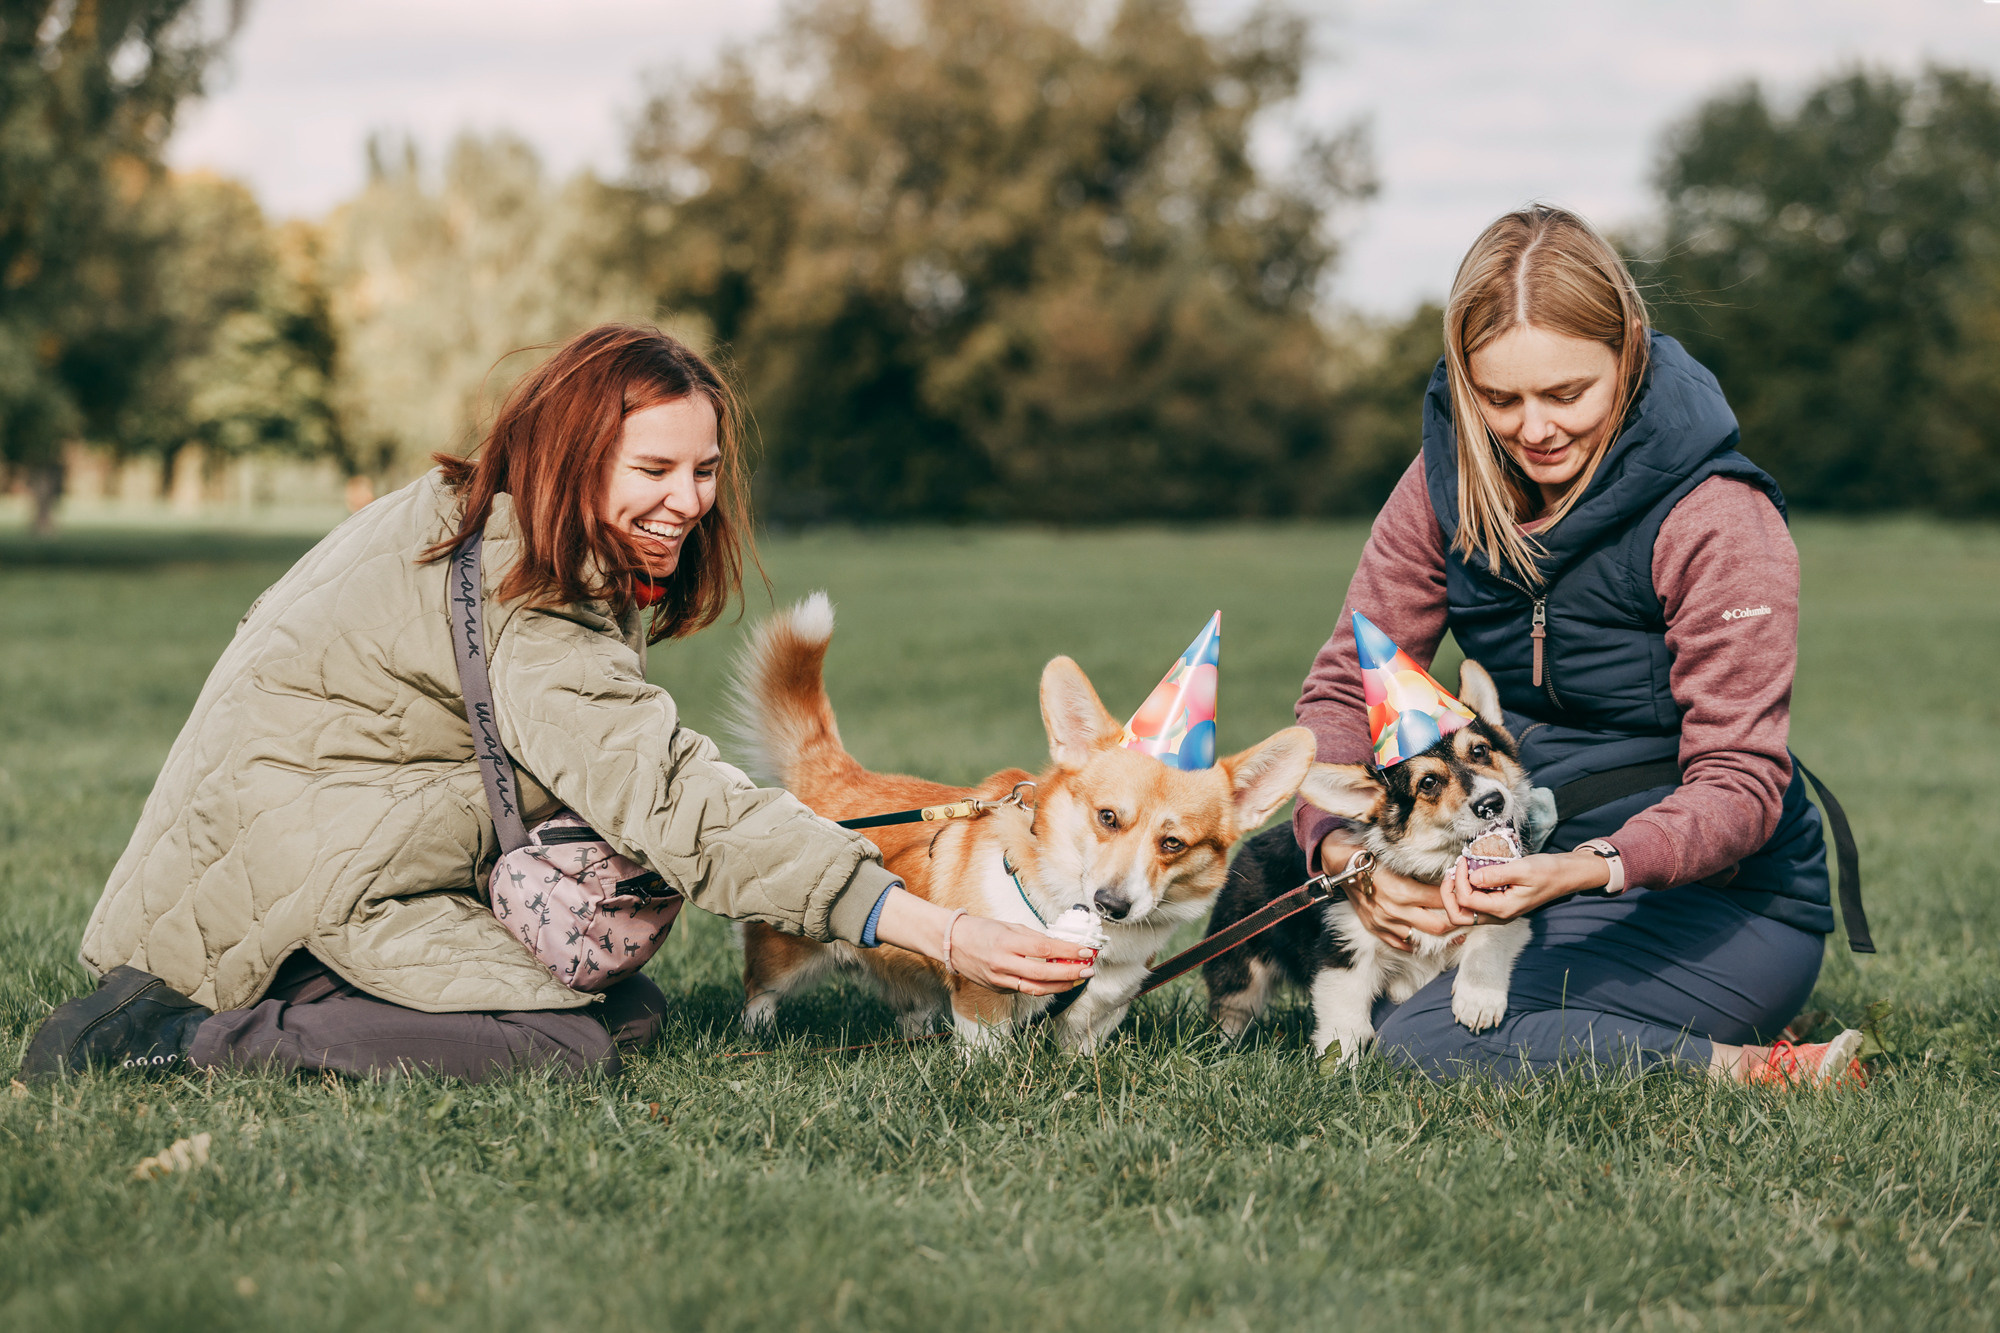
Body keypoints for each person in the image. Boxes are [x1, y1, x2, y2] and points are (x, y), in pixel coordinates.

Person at [26, 324, 1093, 1083]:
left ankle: (297, 1008)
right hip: (287, 886)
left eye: (705, 469)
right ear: (577, 454)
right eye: (656, 468)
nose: (687, 501)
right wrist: (932, 929)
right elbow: (679, 802)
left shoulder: (483, 516)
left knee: (628, 1009)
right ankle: (171, 1038)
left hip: (301, 844)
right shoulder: (524, 588)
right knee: (559, 1043)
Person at [1293, 206, 1864, 1086]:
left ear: (1629, 352)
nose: (1532, 429)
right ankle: (1628, 1011)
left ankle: (1757, 1067)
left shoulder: (1717, 516)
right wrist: (1343, 850)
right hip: (1516, 870)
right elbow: (1342, 685)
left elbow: (1743, 782)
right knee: (1406, 1007)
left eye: (1566, 394)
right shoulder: (1444, 484)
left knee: (1426, 1041)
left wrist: (1588, 867)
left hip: (1719, 897)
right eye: (1498, 398)